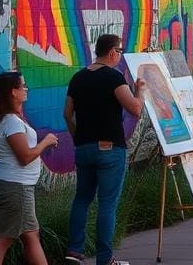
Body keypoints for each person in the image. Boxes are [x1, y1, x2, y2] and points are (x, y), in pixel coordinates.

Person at [64, 33, 144, 265]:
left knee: (82, 198)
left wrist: (77, 137)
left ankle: (74, 251)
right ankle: (105, 259)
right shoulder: (114, 78)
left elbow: (67, 114)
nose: (120, 55)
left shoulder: (78, 78)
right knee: (107, 203)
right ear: (112, 52)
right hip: (110, 149)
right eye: (119, 51)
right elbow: (135, 109)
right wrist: (139, 90)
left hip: (84, 149)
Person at [0, 71, 58, 265]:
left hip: (13, 186)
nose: (26, 89)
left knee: (30, 235)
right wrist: (46, 142)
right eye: (22, 86)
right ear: (12, 92)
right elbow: (25, 157)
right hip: (16, 188)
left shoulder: (10, 120)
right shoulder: (11, 122)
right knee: (3, 239)